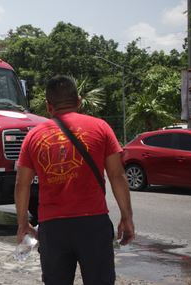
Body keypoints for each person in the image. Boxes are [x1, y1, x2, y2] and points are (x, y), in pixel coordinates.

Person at [15, 75, 135, 285]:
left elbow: (22, 184)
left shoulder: (33, 137)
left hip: (53, 228)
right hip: (93, 224)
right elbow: (117, 175)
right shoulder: (101, 128)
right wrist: (127, 217)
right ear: (78, 101)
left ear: (48, 106)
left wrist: (23, 224)